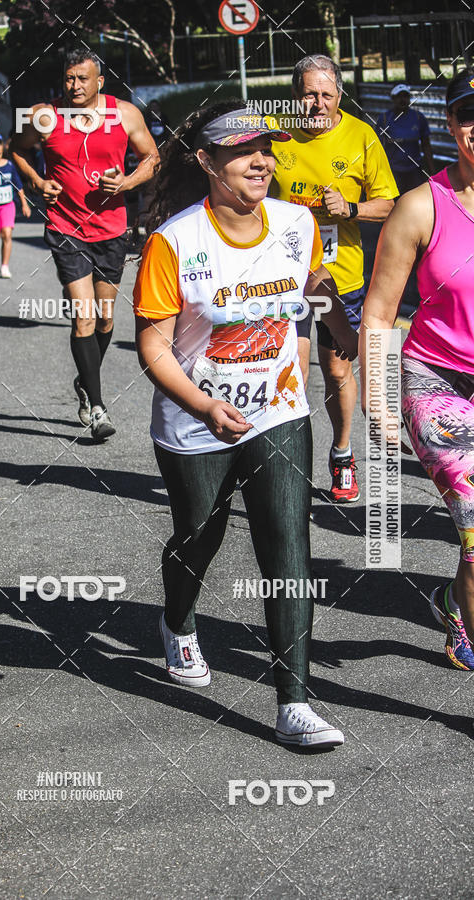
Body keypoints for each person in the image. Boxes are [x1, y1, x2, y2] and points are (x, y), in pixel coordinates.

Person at [134, 102, 358, 747]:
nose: (261, 161)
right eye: (242, 151)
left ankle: (295, 702)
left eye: (266, 149)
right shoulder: (174, 242)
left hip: (280, 411)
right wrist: (205, 405)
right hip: (195, 420)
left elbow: (314, 291)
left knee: (288, 548)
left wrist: (343, 329)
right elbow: (153, 346)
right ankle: (177, 623)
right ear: (206, 162)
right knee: (197, 537)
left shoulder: (295, 222)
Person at [360, 67, 474, 671]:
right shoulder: (420, 207)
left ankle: (456, 599)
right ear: (452, 123)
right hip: (438, 382)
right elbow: (378, 315)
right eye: (467, 114)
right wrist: (376, 399)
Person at [12, 47, 159, 441]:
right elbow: (17, 149)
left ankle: (84, 379)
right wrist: (38, 183)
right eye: (69, 78)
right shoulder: (44, 115)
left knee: (107, 318)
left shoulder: (126, 113)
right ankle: (97, 407)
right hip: (65, 227)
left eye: (82, 78)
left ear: (100, 81)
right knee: (85, 316)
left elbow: (152, 158)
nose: (74, 86)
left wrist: (127, 182)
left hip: (111, 229)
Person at [270, 54, 397, 503]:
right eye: (309, 93)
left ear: (339, 95)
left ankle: (342, 453)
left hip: (340, 277)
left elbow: (389, 204)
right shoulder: (275, 133)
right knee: (293, 373)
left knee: (338, 370)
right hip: (283, 279)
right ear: (294, 96)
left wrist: (352, 209)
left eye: (326, 94)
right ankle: (289, 471)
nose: (318, 102)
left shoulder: (361, 137)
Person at [0, 136, 31, 277]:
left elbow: (19, 187)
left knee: (7, 235)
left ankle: (4, 266)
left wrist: (25, 204)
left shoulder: (9, 166)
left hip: (8, 206)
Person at [376, 84, 435, 195]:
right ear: (393, 98)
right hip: (393, 171)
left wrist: (432, 171)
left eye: (405, 96)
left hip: (414, 170)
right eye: (399, 96)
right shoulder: (384, 119)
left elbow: (426, 145)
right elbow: (377, 147)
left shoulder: (418, 117)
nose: (402, 100)